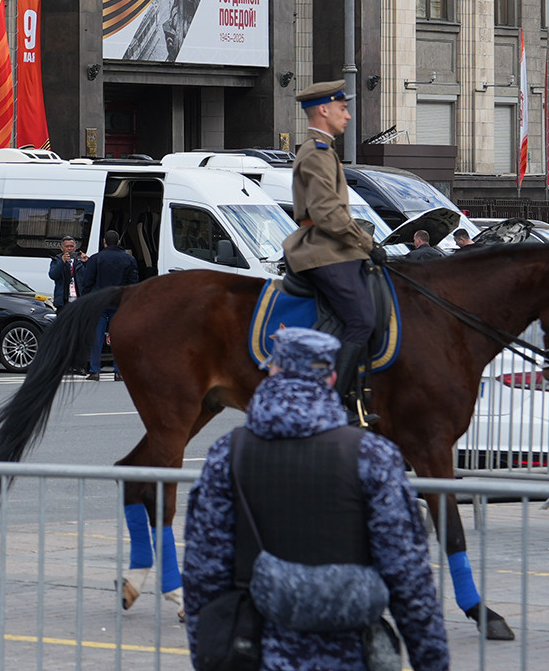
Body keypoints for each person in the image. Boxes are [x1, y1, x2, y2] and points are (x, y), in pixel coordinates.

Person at [182, 328, 449, 671]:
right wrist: (433, 663)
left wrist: (208, 655)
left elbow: (203, 574)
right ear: (332, 377)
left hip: (255, 651)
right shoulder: (372, 456)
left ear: (273, 371)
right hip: (349, 653)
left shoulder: (226, 455)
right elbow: (409, 580)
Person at [280, 81, 382, 412]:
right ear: (323, 110)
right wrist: (366, 242)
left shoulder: (321, 150)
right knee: (362, 320)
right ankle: (329, 404)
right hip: (323, 249)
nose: (349, 116)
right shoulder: (317, 153)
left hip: (332, 247)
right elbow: (326, 213)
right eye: (343, 109)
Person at [79, 230, 139, 380]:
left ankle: (95, 370)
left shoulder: (96, 259)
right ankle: (118, 371)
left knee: (96, 338)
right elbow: (133, 283)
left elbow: (87, 282)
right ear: (118, 242)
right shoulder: (129, 259)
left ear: (104, 242)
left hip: (100, 302)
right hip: (119, 302)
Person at [48, 237, 85, 310]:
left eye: (71, 246)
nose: (69, 248)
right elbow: (53, 275)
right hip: (63, 300)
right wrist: (62, 262)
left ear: (75, 248)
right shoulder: (57, 260)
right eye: (67, 246)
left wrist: (86, 262)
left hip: (79, 300)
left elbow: (88, 277)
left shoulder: (80, 260)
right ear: (62, 248)